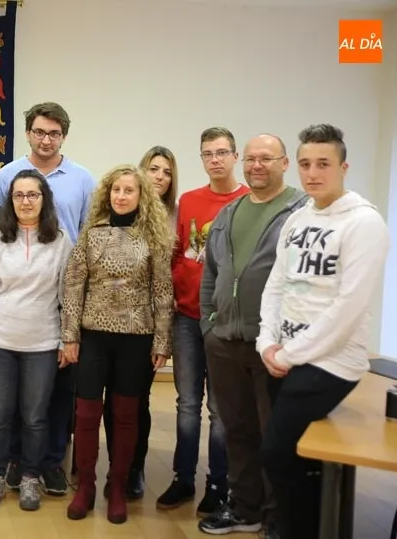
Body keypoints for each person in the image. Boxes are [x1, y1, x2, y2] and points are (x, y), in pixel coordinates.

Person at [257, 124, 389, 539]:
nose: (313, 173)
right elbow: (276, 283)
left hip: (330, 362)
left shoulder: (364, 223)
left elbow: (348, 306)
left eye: (323, 164)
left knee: (277, 452)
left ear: (343, 166)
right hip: (285, 354)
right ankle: (310, 525)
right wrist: (267, 341)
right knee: (297, 457)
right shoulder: (298, 217)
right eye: (305, 164)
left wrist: (290, 354)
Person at [197, 134, 307, 536]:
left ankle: (279, 515)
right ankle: (245, 508)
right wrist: (209, 322)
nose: (257, 165)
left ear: (284, 163)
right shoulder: (230, 212)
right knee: (236, 429)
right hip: (224, 341)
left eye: (268, 158)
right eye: (252, 159)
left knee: (274, 435)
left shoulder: (301, 212)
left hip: (274, 345)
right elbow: (211, 271)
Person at [0, 102, 95, 495]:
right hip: (14, 301)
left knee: (55, 396)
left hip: (58, 300)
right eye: (39, 132)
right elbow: (0, 232)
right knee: (12, 402)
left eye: (53, 133)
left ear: (63, 136)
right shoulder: (6, 176)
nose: (45, 139)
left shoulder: (84, 180)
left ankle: (49, 464)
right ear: (28, 133)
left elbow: (86, 238)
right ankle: (15, 464)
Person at [61, 165, 174, 524]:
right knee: (87, 414)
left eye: (129, 191)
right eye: (116, 190)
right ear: (107, 194)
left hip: (136, 340)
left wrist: (162, 340)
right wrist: (69, 336)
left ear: (142, 198)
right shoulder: (91, 235)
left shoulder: (153, 239)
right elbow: (73, 287)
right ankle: (87, 485)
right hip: (93, 338)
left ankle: (119, 485)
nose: (121, 196)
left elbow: (162, 292)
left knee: (126, 417)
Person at [0, 169, 73, 512]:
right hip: (0, 343)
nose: (26, 201)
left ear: (44, 199)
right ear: (10, 200)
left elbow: (67, 296)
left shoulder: (59, 239)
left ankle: (30, 476)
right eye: (19, 195)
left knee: (35, 417)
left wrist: (65, 340)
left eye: (33, 195)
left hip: (43, 344)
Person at [159, 127, 248, 515]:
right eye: (207, 153)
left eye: (222, 152)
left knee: (222, 408)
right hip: (186, 317)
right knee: (187, 403)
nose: (215, 159)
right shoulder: (189, 200)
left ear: (235, 156)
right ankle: (183, 478)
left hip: (227, 321)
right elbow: (179, 252)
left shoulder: (249, 200)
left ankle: (219, 483)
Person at [102, 145, 179, 500]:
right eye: (153, 169)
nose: (159, 176)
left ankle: (134, 468)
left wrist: (161, 336)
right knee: (108, 402)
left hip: (149, 324)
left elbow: (163, 284)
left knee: (136, 401)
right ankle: (113, 466)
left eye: (166, 171)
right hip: (108, 326)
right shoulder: (115, 217)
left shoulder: (173, 218)